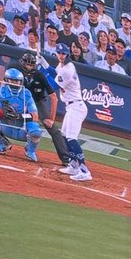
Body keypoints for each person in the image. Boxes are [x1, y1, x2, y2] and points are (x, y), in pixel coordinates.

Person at [42, 44, 91, 182]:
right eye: (59, 53)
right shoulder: (62, 66)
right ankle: (74, 164)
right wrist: (44, 64)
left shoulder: (69, 69)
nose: (61, 55)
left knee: (71, 138)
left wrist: (42, 70)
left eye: (63, 53)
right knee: (64, 135)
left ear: (67, 54)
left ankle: (84, 170)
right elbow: (55, 73)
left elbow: (53, 85)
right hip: (71, 107)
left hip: (77, 106)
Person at [0, 68, 42, 162]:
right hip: (5, 127)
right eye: (11, 80)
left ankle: (30, 151)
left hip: (21, 129)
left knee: (36, 130)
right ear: (6, 80)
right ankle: (2, 144)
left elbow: (35, 116)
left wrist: (19, 116)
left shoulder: (27, 94)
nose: (14, 83)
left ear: (21, 81)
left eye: (16, 81)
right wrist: (4, 113)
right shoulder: (0, 92)